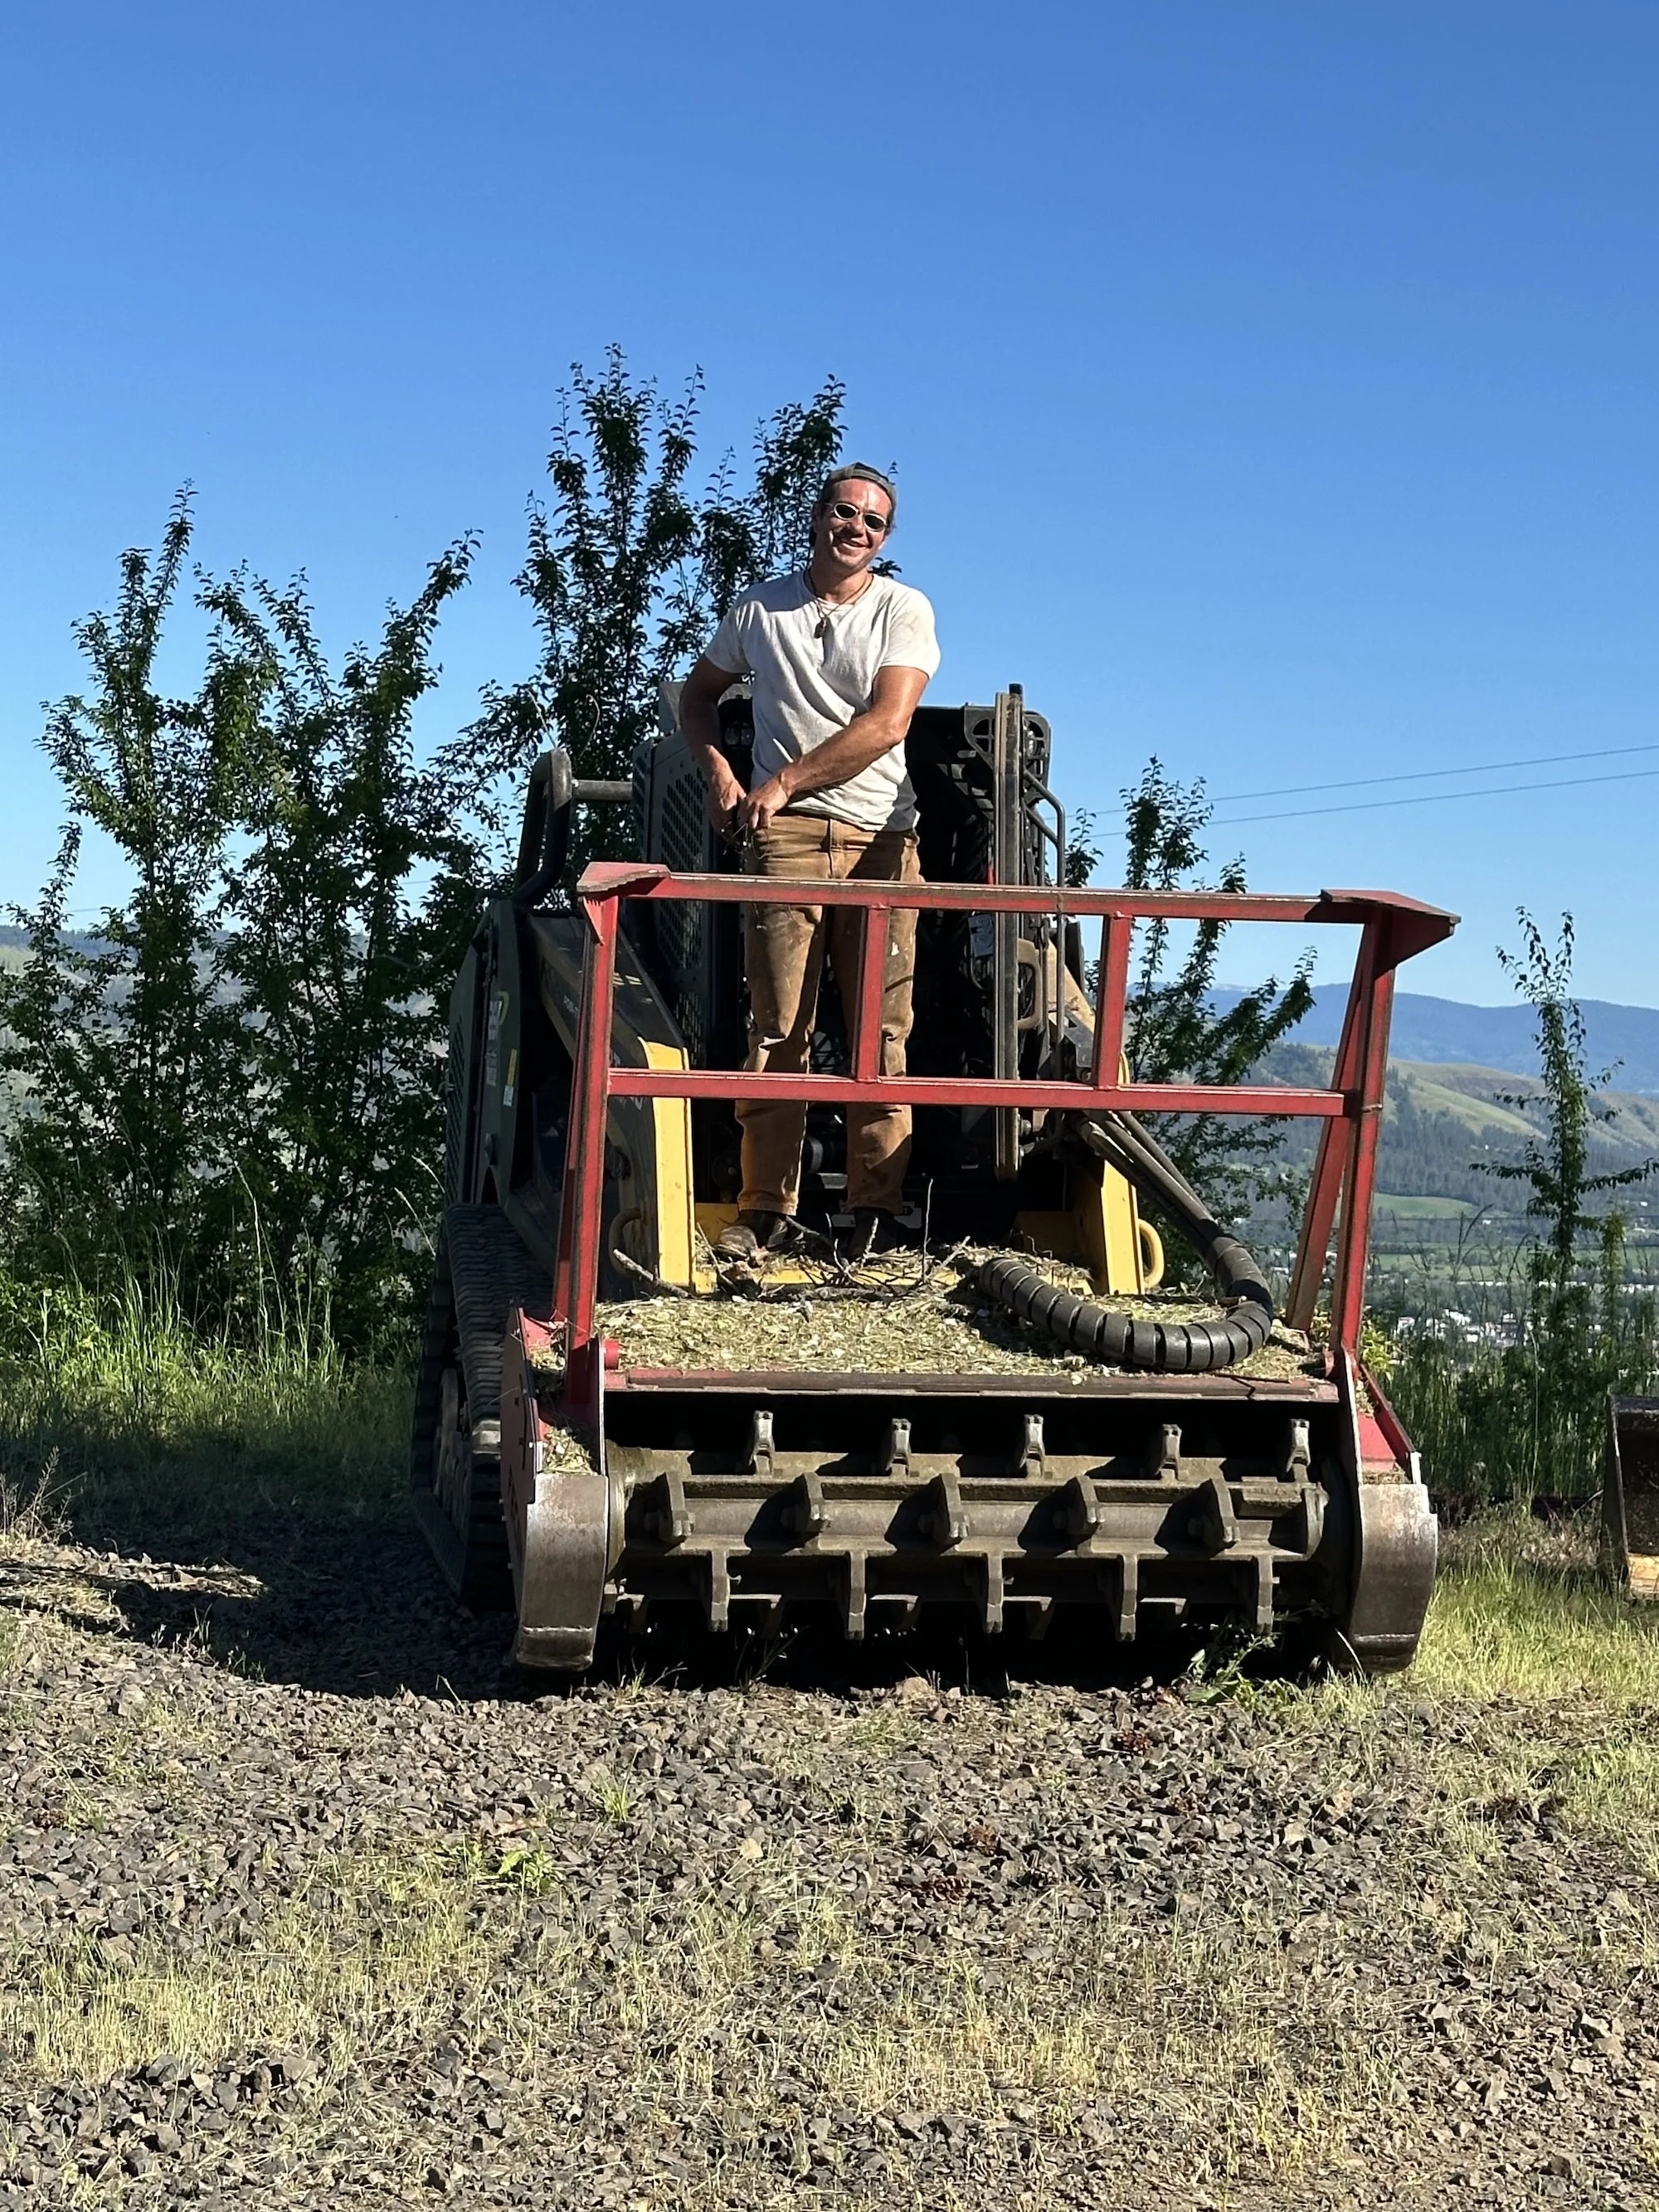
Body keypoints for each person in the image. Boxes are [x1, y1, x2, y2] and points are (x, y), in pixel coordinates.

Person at [678, 462, 941, 1261]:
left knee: (879, 1036)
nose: (855, 526)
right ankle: (763, 1212)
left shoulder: (904, 609)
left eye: (873, 519)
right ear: (817, 515)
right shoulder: (759, 606)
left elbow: (891, 722)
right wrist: (718, 767)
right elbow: (695, 696)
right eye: (843, 510)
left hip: (880, 842)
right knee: (778, 1027)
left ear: (886, 538)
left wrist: (783, 778)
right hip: (785, 839)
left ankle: (877, 1214)